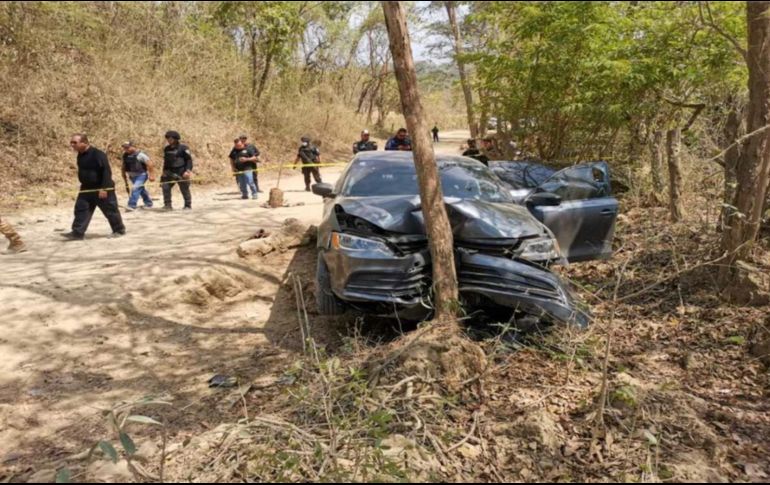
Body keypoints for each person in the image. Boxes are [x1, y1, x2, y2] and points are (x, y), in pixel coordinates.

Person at [62, 133, 126, 240]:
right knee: (81, 209)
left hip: (102, 187)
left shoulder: (98, 154)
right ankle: (77, 232)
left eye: (75, 142)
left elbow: (106, 171)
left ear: (84, 142)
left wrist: (104, 188)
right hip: (86, 188)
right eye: (71, 142)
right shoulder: (80, 155)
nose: (72, 145)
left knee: (110, 210)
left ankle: (119, 230)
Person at [161, 130, 193, 210]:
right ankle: (167, 205)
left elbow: (189, 160)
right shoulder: (166, 149)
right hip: (169, 172)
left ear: (176, 139)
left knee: (184, 189)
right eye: (167, 138)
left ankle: (187, 205)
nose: (168, 140)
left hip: (181, 171)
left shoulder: (183, 148)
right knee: (165, 187)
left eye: (170, 138)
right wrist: (164, 171)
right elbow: (166, 161)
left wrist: (187, 171)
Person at [121, 141, 154, 211]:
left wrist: (151, 175)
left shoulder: (140, 155)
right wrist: (123, 174)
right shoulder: (125, 155)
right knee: (140, 189)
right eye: (124, 148)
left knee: (135, 188)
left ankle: (131, 205)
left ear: (133, 146)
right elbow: (123, 165)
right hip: (132, 176)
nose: (126, 149)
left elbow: (150, 163)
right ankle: (148, 203)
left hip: (141, 175)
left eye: (127, 147)